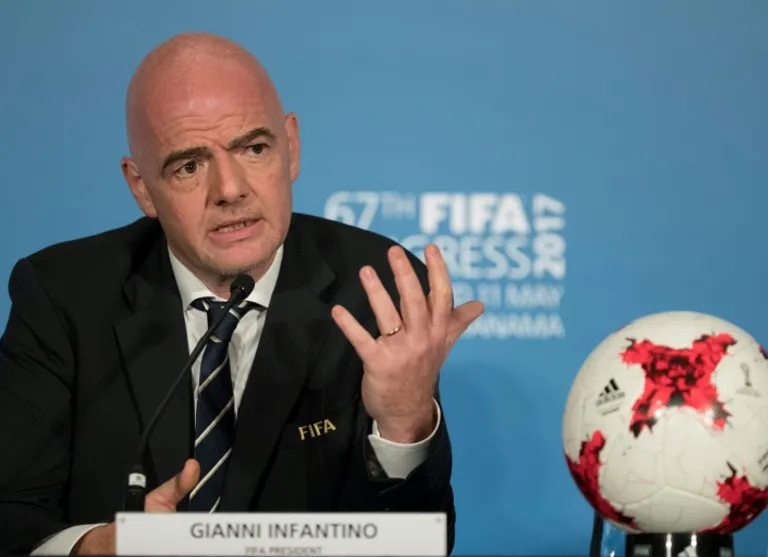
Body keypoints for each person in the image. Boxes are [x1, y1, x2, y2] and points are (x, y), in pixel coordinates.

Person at [0, 32, 484, 555]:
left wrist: (405, 423)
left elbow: (420, 543)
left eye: (254, 149)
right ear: (141, 187)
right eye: (189, 166)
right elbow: (12, 512)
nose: (230, 189)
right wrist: (98, 548)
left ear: (291, 147)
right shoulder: (65, 296)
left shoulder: (378, 292)